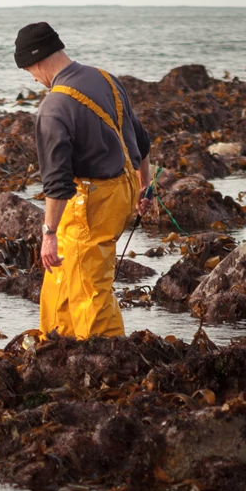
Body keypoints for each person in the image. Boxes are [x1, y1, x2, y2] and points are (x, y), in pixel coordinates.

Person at [15, 22, 152, 339]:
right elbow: (141, 141)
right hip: (123, 187)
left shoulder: (53, 107)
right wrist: (143, 187)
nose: (34, 80)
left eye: (29, 72)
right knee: (62, 274)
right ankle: (59, 344)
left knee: (89, 286)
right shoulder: (105, 78)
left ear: (36, 61)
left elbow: (58, 182)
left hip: (92, 201)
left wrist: (49, 233)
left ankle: (107, 356)